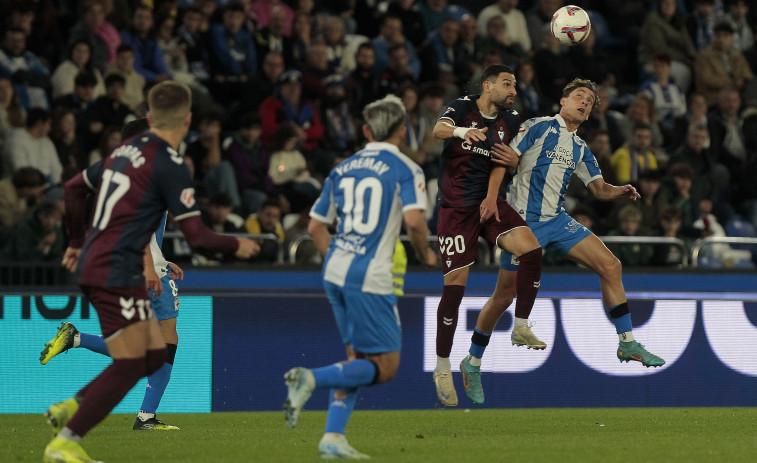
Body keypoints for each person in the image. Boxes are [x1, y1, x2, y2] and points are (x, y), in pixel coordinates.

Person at [42, 81, 259, 463]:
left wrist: (76, 243)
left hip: (97, 262)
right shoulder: (167, 163)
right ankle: (75, 432)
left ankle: (74, 403)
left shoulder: (120, 157)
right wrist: (236, 244)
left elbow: (74, 189)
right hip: (124, 265)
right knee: (146, 355)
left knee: (145, 354)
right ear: (187, 120)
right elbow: (198, 236)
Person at [480, 79, 665, 402]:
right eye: (579, 96)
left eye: (590, 101)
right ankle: (472, 360)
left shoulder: (580, 148)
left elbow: (599, 189)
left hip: (557, 221)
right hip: (522, 223)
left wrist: (620, 190)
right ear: (562, 101)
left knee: (611, 265)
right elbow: (510, 156)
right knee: (503, 297)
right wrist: (507, 163)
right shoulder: (537, 127)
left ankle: (627, 342)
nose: (584, 102)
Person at [282, 94, 436, 459]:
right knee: (385, 368)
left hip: (335, 271)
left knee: (356, 361)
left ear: (366, 130)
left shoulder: (342, 168)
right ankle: (311, 378)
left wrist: (336, 258)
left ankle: (332, 438)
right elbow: (414, 221)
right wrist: (423, 253)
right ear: (402, 131)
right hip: (370, 276)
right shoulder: (406, 169)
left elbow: (316, 226)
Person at [39, 117, 189, 431]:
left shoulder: (118, 169)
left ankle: (76, 339)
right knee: (162, 342)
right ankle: (144, 417)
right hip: (141, 266)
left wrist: (160, 258)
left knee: (145, 345)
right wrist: (151, 264)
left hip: (127, 263)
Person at [432, 64, 544, 407]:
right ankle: (441, 366)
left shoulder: (510, 121)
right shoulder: (463, 106)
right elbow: (438, 130)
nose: (513, 91)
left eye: (515, 85)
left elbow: (499, 162)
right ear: (487, 86)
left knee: (532, 251)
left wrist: (492, 197)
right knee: (455, 289)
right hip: (455, 210)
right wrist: (461, 132)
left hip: (488, 202)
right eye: (507, 84)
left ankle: (521, 324)